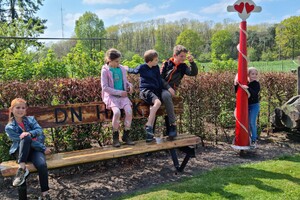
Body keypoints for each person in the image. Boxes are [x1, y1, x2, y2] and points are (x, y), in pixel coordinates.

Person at [5, 98, 51, 200]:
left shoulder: (31, 119)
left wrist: (30, 133)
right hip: (21, 152)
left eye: (23, 108)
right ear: (11, 109)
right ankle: (22, 168)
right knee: (25, 137)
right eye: (17, 107)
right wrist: (42, 148)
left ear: (26, 110)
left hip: (34, 150)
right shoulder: (9, 127)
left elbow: (39, 130)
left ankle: (45, 194)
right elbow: (22, 141)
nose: (20, 110)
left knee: (42, 165)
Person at [126, 49, 166, 142]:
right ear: (150, 61)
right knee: (157, 103)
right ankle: (148, 124)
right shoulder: (142, 67)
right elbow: (134, 71)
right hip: (145, 91)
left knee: (153, 108)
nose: (157, 61)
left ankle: (149, 133)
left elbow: (159, 80)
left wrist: (160, 91)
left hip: (154, 92)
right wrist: (126, 68)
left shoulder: (156, 68)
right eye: (156, 60)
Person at [161, 45, 198, 139]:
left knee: (166, 97)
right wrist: (168, 87)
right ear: (175, 55)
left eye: (185, 56)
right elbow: (160, 79)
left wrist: (192, 62)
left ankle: (172, 128)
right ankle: (171, 126)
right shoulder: (166, 64)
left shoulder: (183, 66)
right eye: (181, 56)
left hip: (171, 91)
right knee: (163, 97)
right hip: (162, 88)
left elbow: (193, 73)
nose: (184, 58)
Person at [101, 48, 135, 147]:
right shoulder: (105, 70)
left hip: (123, 97)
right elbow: (105, 87)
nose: (118, 63)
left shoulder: (121, 69)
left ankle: (126, 135)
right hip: (112, 97)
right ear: (109, 59)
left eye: (119, 61)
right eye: (116, 61)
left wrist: (129, 86)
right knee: (117, 112)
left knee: (129, 111)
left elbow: (124, 82)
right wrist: (119, 93)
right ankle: (115, 137)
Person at [234, 67, 260, 146]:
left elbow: (255, 93)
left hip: (254, 106)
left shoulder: (256, 84)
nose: (254, 76)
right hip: (246, 106)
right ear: (248, 74)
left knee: (252, 122)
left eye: (256, 74)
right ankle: (246, 138)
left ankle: (254, 139)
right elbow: (237, 91)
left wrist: (248, 88)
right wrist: (235, 84)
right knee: (246, 123)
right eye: (252, 74)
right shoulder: (246, 83)